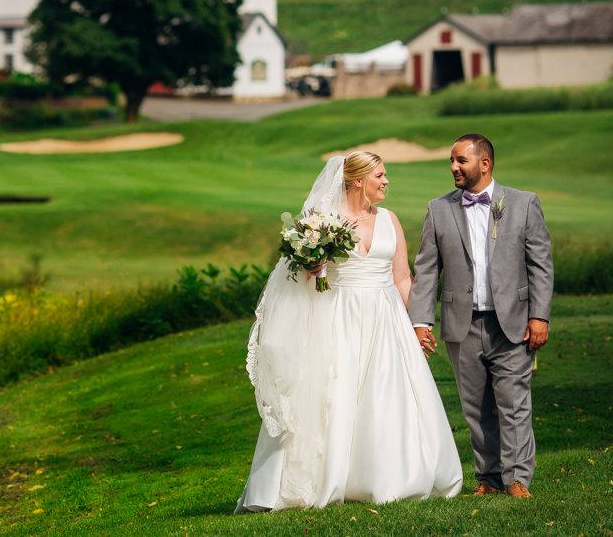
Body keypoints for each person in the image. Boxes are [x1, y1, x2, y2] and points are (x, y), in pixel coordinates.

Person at [236, 152, 462, 512]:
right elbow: (304, 282)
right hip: (339, 318)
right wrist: (314, 267)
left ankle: (389, 475)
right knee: (335, 395)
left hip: (386, 319)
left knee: (386, 394)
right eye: (380, 175)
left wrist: (418, 322)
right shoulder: (323, 223)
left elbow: (403, 276)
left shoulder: (390, 220)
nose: (387, 181)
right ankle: (328, 477)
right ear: (357, 180)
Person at [408, 134, 553, 499]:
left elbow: (541, 266)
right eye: (452, 161)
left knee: (514, 403)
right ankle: (488, 478)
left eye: (461, 161)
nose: (454, 167)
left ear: (484, 164)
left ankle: (517, 479)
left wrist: (540, 316)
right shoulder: (438, 209)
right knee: (475, 408)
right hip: (461, 324)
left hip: (513, 323)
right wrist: (420, 321)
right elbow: (426, 270)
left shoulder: (523, 203)